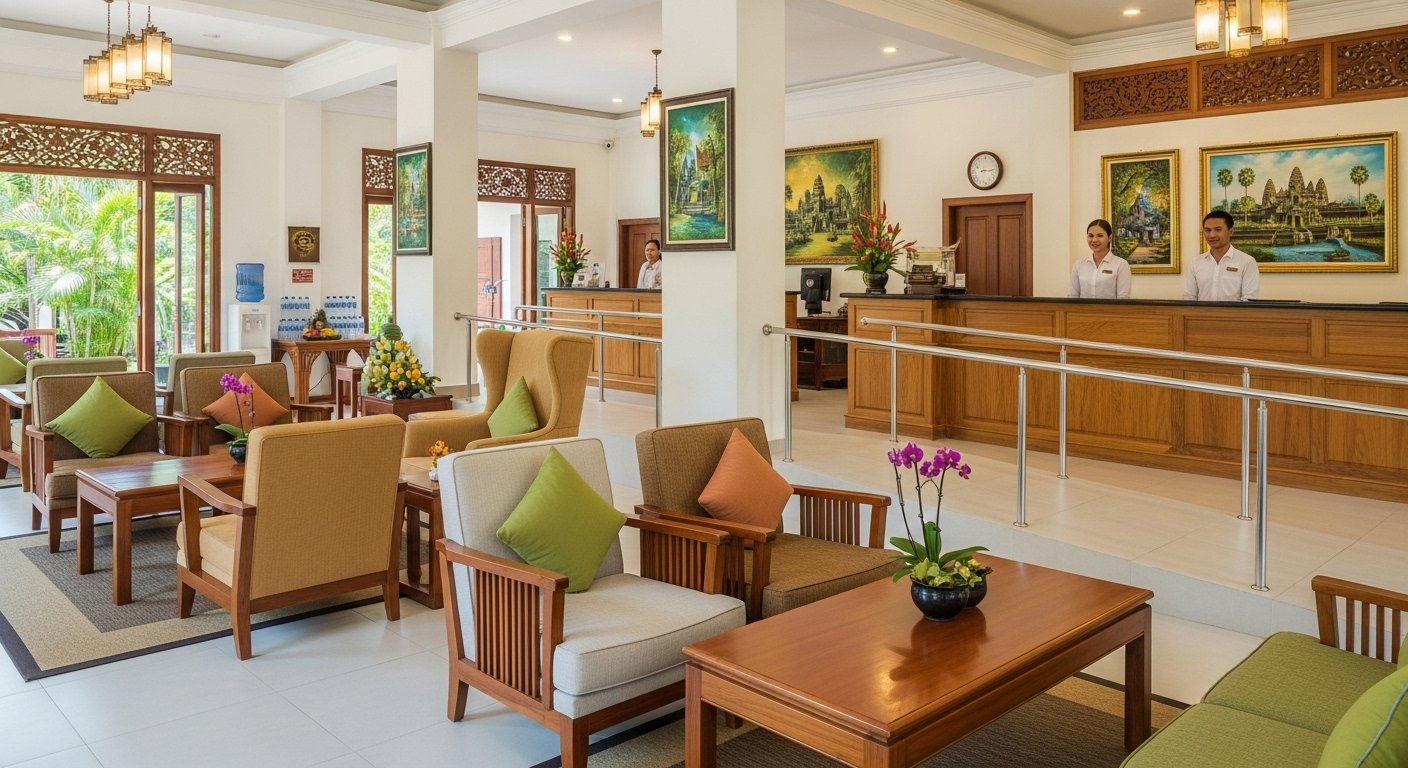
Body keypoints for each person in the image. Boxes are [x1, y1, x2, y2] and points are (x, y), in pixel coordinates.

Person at [1184, 211, 1259, 301]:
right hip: (1201, 315)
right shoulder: (1195, 263)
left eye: (1218, 229)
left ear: (1231, 232)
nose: (1212, 235)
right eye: (1208, 230)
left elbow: (1249, 300)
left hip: (1234, 315)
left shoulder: (1247, 262)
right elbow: (1189, 298)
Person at [1068, 219, 1131, 299]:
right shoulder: (1079, 265)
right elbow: (1072, 297)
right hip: (1083, 311)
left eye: (1100, 236)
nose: (1094, 240)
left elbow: (1123, 298)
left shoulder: (1121, 264)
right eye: (1090, 236)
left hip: (1110, 311)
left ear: (1109, 238)